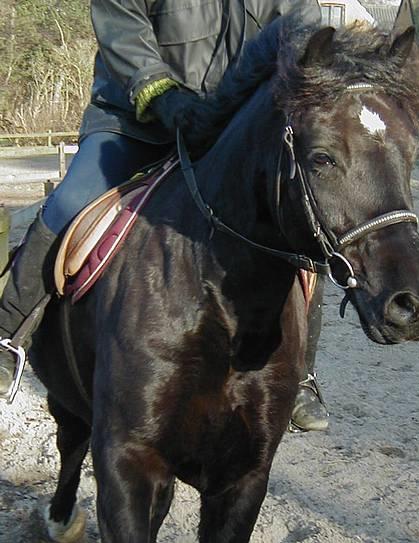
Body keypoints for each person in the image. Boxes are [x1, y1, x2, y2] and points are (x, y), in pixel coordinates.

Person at [0, 0, 328, 431]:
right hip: (134, 121)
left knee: (303, 226)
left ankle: (301, 374)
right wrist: (159, 92)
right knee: (69, 204)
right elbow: (121, 22)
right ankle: (8, 336)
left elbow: (303, 37)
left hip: (231, 132)